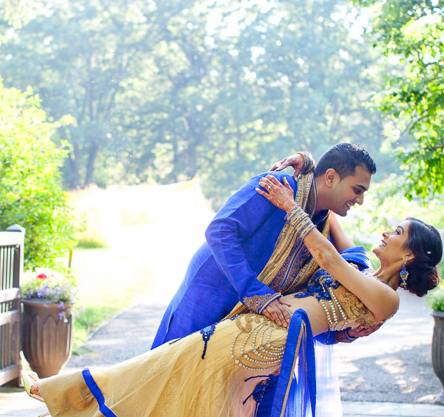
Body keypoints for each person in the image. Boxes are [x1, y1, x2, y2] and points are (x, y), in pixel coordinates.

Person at [25, 173, 443, 417]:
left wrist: (287, 205)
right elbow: (330, 217)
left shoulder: (386, 299)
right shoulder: (366, 271)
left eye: (398, 233)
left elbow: (328, 256)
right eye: (358, 191)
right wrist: (305, 168)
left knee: (165, 375)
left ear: (408, 253)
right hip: (255, 329)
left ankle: (69, 392)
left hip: (263, 343)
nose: (387, 231)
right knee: (194, 403)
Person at [152, 142, 376, 349]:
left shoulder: (321, 229)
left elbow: (308, 296)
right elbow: (220, 231)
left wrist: (344, 332)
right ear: (330, 178)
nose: (360, 201)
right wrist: (257, 293)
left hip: (251, 324)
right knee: (170, 374)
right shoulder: (276, 187)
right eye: (357, 190)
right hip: (210, 294)